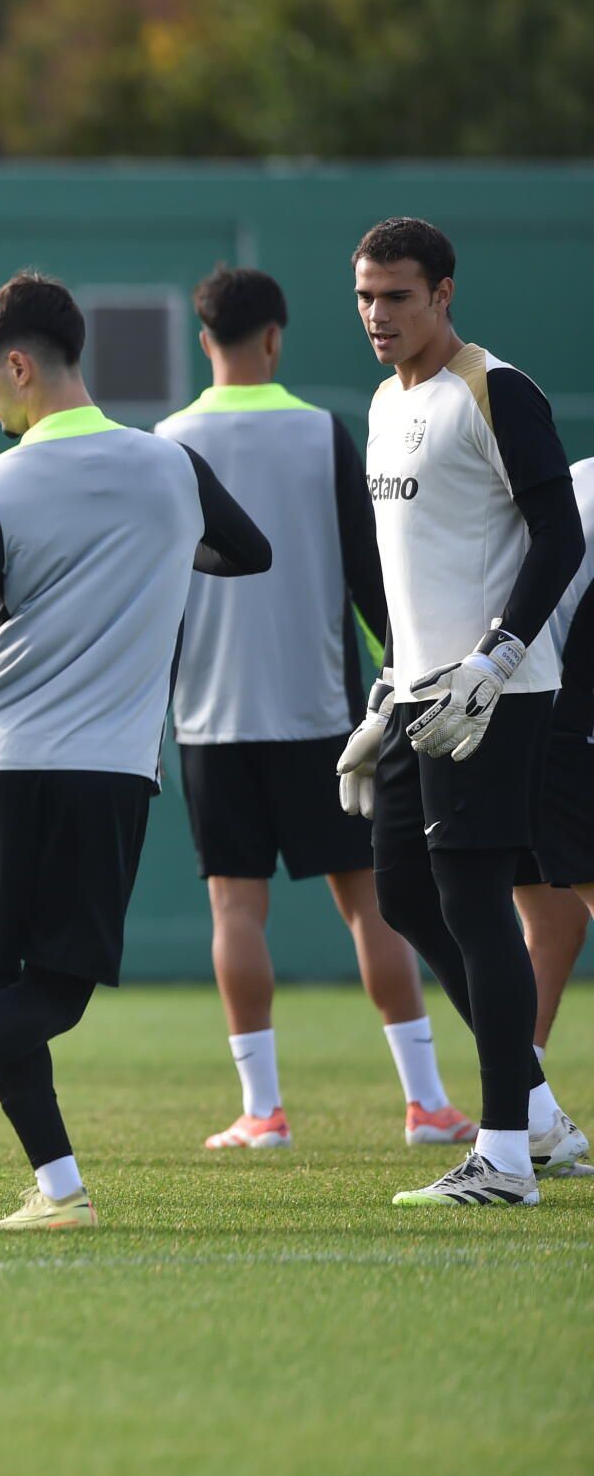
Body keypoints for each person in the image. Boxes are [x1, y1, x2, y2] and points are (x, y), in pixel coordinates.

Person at [0, 272, 270, 1230]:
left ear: (19, 365)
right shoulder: (172, 467)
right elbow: (253, 552)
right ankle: (59, 1190)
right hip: (109, 770)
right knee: (51, 992)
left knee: (1, 984)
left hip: (5, 759)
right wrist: (153, 552)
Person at [155, 265, 472, 1150]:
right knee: (371, 906)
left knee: (234, 913)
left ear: (203, 335)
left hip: (211, 721)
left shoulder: (167, 440)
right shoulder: (322, 431)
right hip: (323, 716)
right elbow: (374, 574)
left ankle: (263, 1112)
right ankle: (427, 1103)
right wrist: (408, 669)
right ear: (275, 338)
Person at [337, 217, 588, 1205]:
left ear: (444, 293)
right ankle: (535, 1111)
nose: (377, 315)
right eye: (364, 296)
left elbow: (560, 537)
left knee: (477, 902)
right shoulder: (381, 401)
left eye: (397, 296)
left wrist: (497, 655)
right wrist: (386, 689)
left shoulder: (496, 390)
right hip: (417, 695)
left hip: (496, 694)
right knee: (403, 891)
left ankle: (507, 1158)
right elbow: (414, 568)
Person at [512, 454, 594, 1109]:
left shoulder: (576, 479)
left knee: (554, 921)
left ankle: (524, 1103)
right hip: (557, 727)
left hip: (526, 721)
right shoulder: (581, 488)